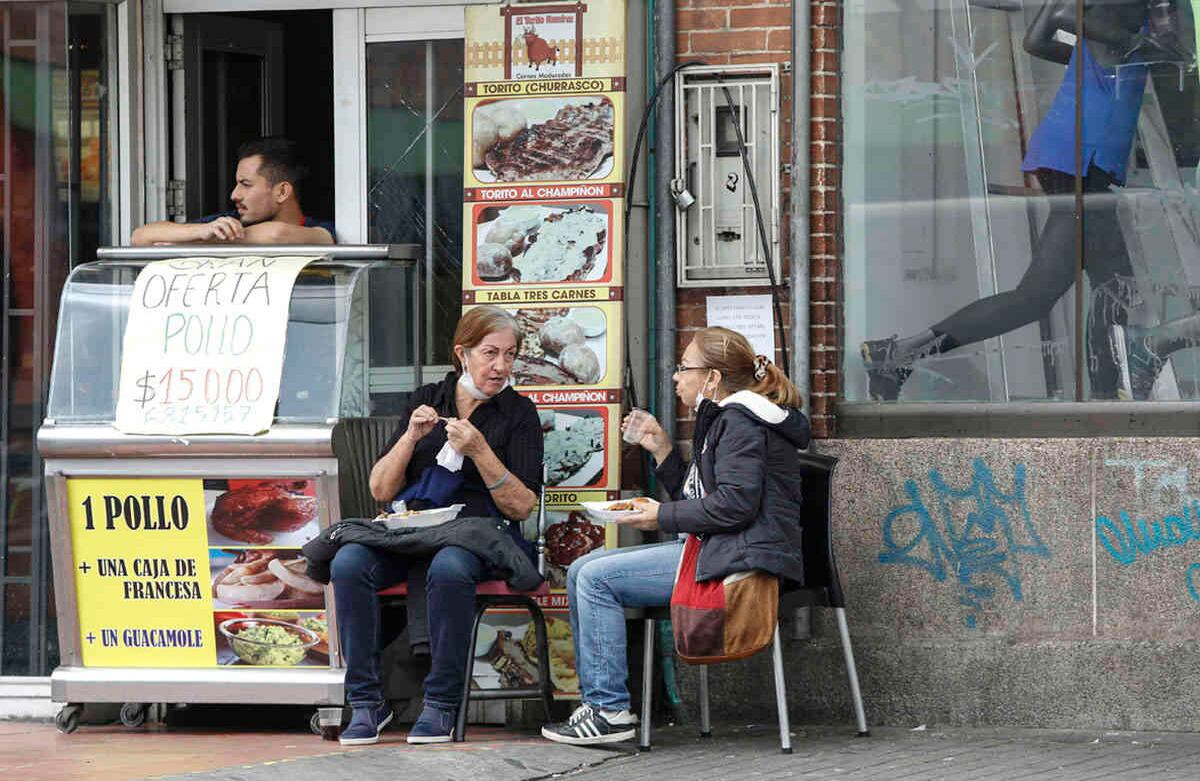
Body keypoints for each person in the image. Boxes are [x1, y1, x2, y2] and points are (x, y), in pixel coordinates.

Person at [860, 0, 1189, 401]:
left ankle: (1107, 395)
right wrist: (1135, 44)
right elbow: (1069, 17)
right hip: (1081, 163)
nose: (1168, 16)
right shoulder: (1126, 32)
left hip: (1077, 162)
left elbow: (1037, 37)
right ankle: (1107, 393)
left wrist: (1090, 58)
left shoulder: (1117, 42)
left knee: (1105, 286)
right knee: (1068, 291)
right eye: (1163, 9)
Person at [540, 327, 811, 746]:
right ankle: (599, 706)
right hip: (718, 547)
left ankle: (610, 711)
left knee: (595, 579)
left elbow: (736, 506)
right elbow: (703, 495)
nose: (675, 377)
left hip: (740, 560)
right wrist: (662, 448)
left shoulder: (739, 422)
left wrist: (661, 514)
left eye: (684, 368)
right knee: (580, 570)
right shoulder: (726, 416)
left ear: (713, 379)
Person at [331, 306, 543, 746]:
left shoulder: (518, 414)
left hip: (482, 536)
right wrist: (410, 436)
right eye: (490, 353)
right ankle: (367, 702)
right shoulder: (429, 398)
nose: (501, 366)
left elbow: (522, 507)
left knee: (449, 566)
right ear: (462, 353)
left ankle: (441, 703)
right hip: (414, 531)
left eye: (510, 354)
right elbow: (380, 489)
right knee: (350, 560)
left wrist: (481, 451)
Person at [131, 137, 335, 246]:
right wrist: (201, 231)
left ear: (282, 192)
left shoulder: (324, 229)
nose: (234, 195)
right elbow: (141, 237)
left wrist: (195, 242)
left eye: (246, 184)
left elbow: (276, 235)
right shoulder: (228, 223)